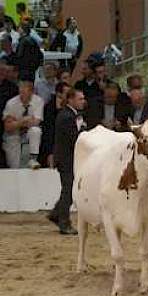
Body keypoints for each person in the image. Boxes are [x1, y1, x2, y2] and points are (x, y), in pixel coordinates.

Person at [49, 88, 86, 234]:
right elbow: (74, 139)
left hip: (68, 159)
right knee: (69, 191)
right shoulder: (66, 116)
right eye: (80, 99)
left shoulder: (71, 115)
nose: (83, 101)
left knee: (68, 189)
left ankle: (56, 214)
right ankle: (64, 223)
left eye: (83, 98)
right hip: (66, 160)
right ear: (70, 100)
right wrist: (83, 130)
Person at [3, 80, 44, 168]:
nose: (22, 95)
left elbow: (36, 122)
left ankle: (33, 158)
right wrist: (24, 120)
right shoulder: (11, 103)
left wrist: (16, 122)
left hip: (29, 134)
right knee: (15, 166)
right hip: (14, 134)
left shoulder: (38, 101)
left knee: (36, 130)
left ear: (31, 92)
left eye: (25, 92)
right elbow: (7, 127)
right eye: (20, 92)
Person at [40, 82, 70, 168]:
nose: (69, 96)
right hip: (50, 147)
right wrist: (50, 153)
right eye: (67, 93)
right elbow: (48, 133)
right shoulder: (49, 108)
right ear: (59, 94)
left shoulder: (70, 107)